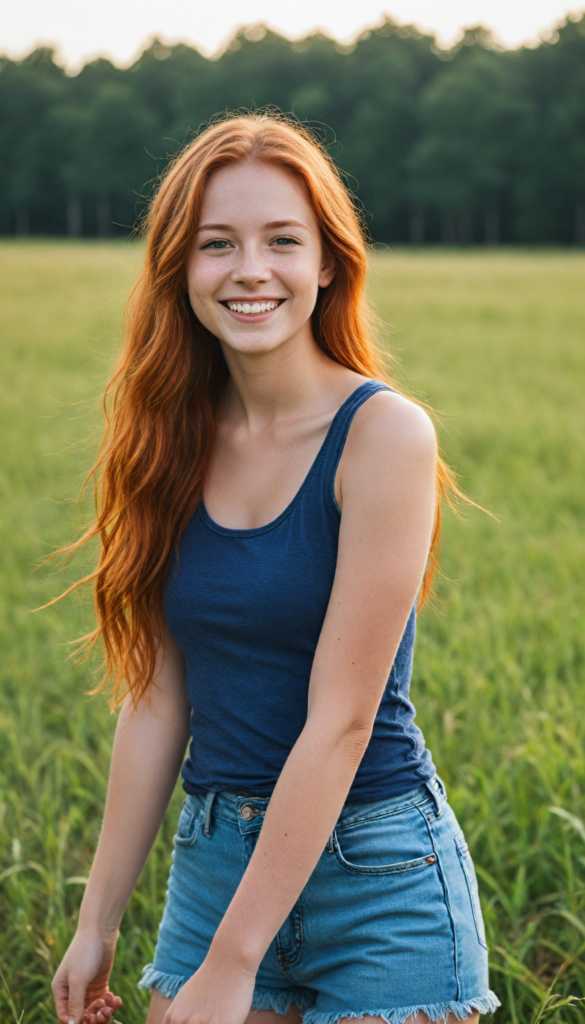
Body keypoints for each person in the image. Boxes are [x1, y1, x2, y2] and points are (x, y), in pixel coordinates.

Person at [51, 113, 500, 1024]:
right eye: (217, 244)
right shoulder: (165, 439)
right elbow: (157, 697)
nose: (249, 269)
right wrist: (97, 921)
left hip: (378, 874)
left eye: (281, 241)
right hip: (215, 855)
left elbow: (340, 722)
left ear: (328, 262)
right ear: (179, 267)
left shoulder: (382, 437)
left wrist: (234, 960)